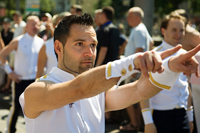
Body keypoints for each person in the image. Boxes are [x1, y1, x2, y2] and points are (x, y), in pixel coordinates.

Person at [18, 13, 200, 133]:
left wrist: (170, 68)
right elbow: (78, 89)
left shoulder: (97, 91)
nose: (89, 52)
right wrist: (132, 61)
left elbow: (139, 91)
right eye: (79, 44)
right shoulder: (35, 91)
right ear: (58, 47)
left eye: (93, 45)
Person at [140, 12, 194, 133]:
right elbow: (143, 90)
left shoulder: (186, 54)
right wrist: (148, 122)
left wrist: (190, 117)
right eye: (174, 30)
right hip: (161, 115)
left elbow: (186, 86)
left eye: (181, 30)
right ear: (163, 31)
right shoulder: (153, 56)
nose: (178, 34)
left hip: (182, 115)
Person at [0, 15, 44, 133]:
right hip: (20, 80)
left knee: (33, 110)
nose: (36, 27)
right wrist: (10, 72)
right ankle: (10, 130)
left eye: (37, 24)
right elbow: (2, 54)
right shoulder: (18, 40)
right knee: (16, 108)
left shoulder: (41, 42)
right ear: (27, 26)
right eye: (33, 24)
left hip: (35, 81)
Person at [119, 7, 153, 132]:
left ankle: (134, 124)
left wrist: (134, 71)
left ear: (137, 18)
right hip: (137, 70)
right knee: (139, 99)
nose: (127, 19)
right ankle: (137, 124)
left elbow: (139, 50)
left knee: (128, 98)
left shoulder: (138, 30)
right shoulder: (140, 29)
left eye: (129, 16)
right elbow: (151, 44)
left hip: (134, 71)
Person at [36, 12, 71, 78]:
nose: (66, 27)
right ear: (54, 26)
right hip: (52, 86)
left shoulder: (79, 45)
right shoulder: (46, 46)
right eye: (62, 23)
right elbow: (40, 72)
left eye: (69, 23)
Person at [0, 18, 14, 93]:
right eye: (3, 23)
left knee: (7, 68)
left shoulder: (12, 33)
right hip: (2, 54)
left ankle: (6, 86)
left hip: (9, 53)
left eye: (6, 23)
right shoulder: (1, 33)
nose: (5, 25)